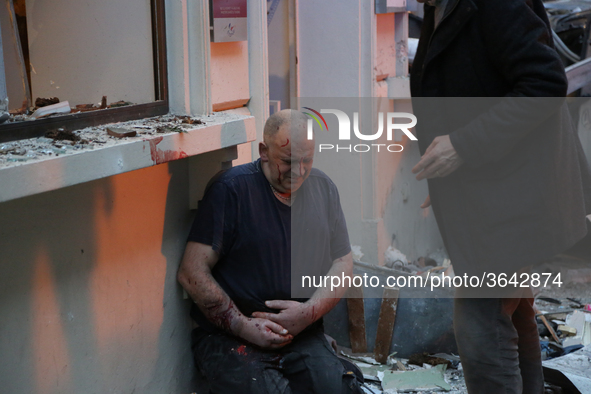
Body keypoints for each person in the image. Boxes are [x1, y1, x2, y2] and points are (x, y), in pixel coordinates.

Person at [410, 0, 591, 393]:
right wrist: (442, 172)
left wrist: (462, 147)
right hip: (493, 193)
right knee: (514, 312)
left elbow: (545, 83)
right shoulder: (441, 6)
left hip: (516, 198)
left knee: (482, 326)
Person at [177, 109, 363, 394]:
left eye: (307, 161)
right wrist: (242, 326)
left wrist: (308, 314)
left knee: (338, 388)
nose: (299, 171)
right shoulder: (231, 190)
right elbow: (191, 273)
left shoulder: (323, 188)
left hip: (302, 333)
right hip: (230, 337)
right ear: (264, 151)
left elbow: (343, 262)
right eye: (288, 161)